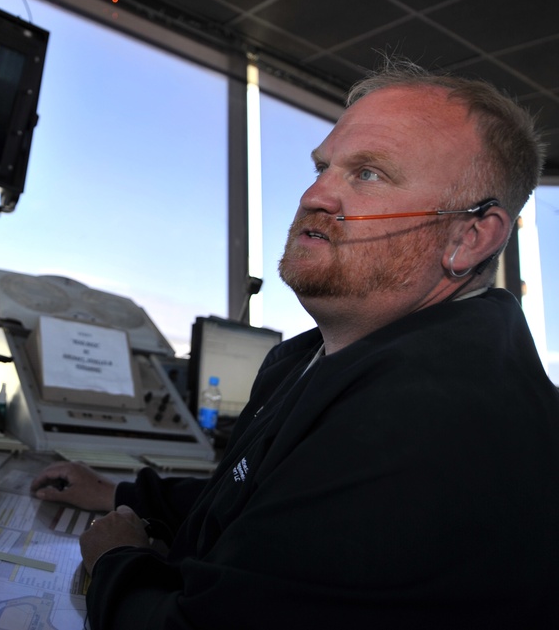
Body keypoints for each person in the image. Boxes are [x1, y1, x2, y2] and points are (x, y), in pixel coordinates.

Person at [30, 59, 559, 629]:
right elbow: (255, 500)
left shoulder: (429, 423)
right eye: (323, 167)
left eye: (369, 174)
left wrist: (116, 559)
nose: (316, 194)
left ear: (469, 236)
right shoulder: (331, 357)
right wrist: (120, 494)